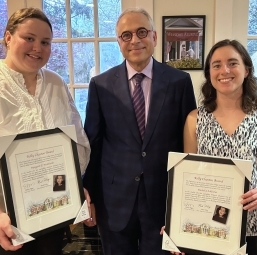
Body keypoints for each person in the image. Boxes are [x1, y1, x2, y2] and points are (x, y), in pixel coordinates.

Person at [0, 7, 90, 255]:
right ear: (8, 37)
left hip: (49, 207)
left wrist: (72, 187)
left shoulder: (56, 83)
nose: (38, 47)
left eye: (45, 42)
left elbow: (72, 140)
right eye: (29, 38)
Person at [82, 7, 196, 255]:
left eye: (142, 32)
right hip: (114, 201)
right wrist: (87, 196)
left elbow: (189, 147)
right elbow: (94, 143)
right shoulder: (100, 85)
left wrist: (186, 204)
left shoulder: (179, 82)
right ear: (119, 42)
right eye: (126, 35)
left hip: (163, 201)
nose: (135, 40)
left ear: (154, 37)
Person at [183, 39, 257, 255]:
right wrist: (179, 223)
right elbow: (188, 178)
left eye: (233, 63)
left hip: (256, 226)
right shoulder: (195, 120)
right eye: (217, 65)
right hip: (211, 229)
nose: (225, 70)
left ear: (246, 70)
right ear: (209, 73)